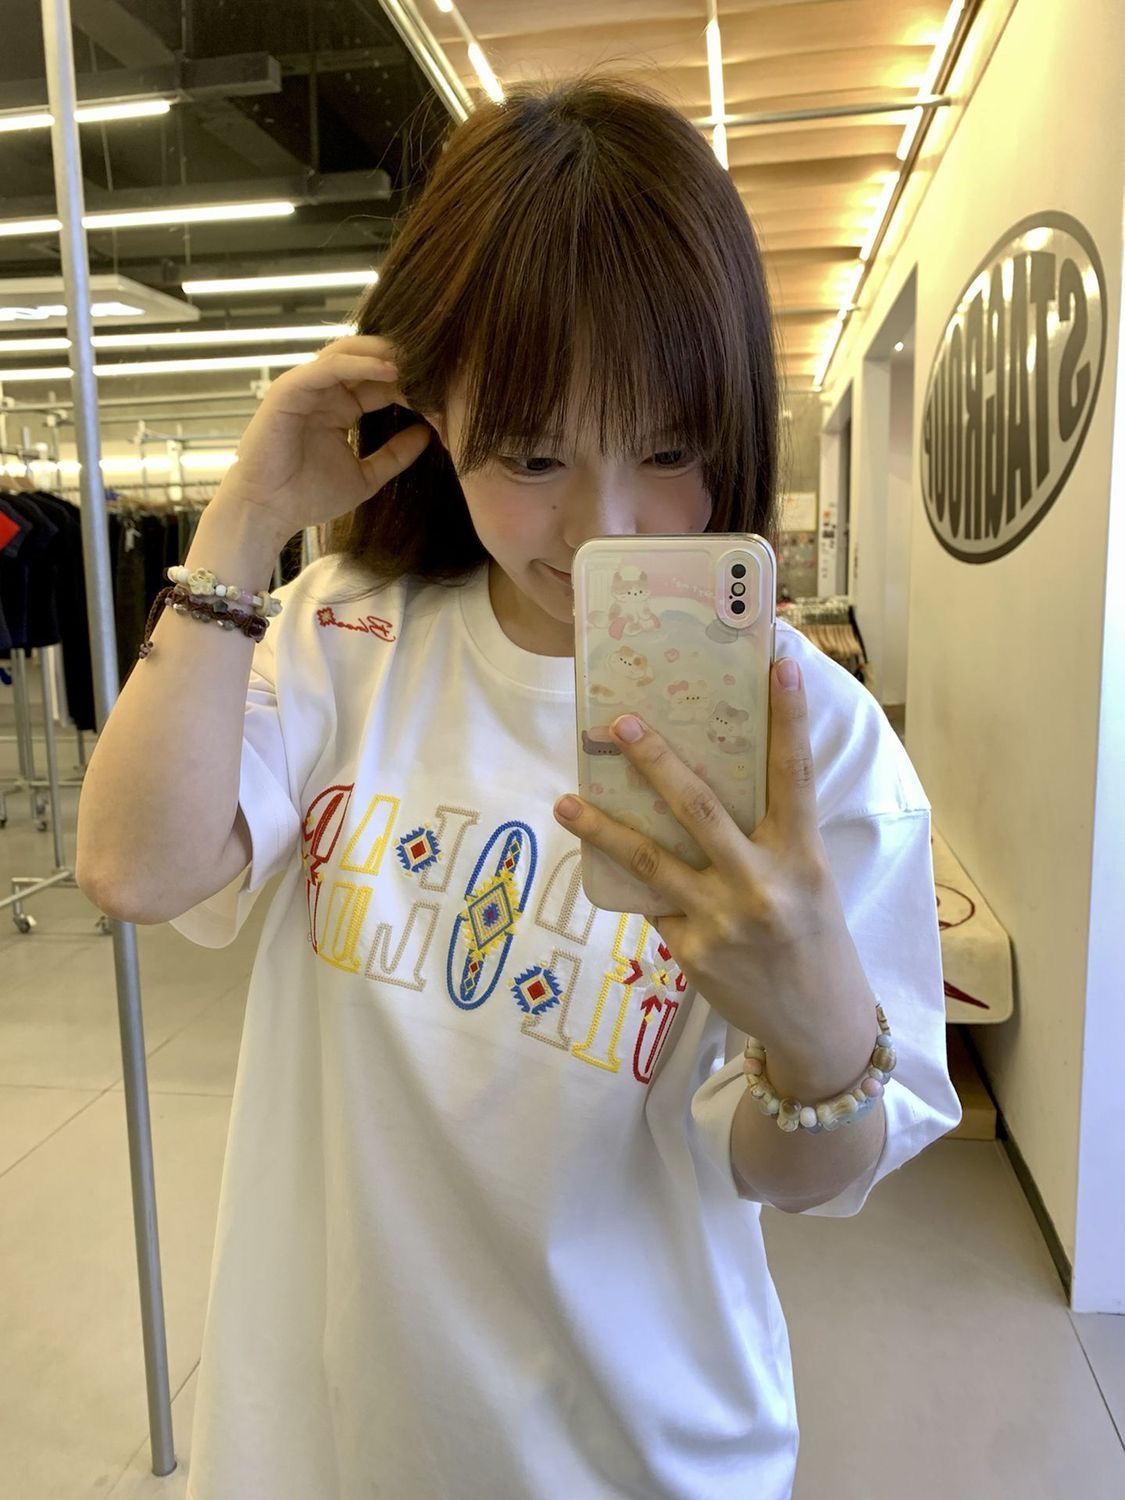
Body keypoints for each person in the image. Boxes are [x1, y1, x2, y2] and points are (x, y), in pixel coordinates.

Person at [76, 74, 961, 1500]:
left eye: (667, 451)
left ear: (732, 423)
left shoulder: (816, 739)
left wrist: (813, 1036)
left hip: (640, 1455)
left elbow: (803, 1177)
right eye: (535, 454)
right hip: (332, 1439)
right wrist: (245, 515)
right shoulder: (342, 634)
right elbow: (134, 867)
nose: (600, 525)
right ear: (432, 415)